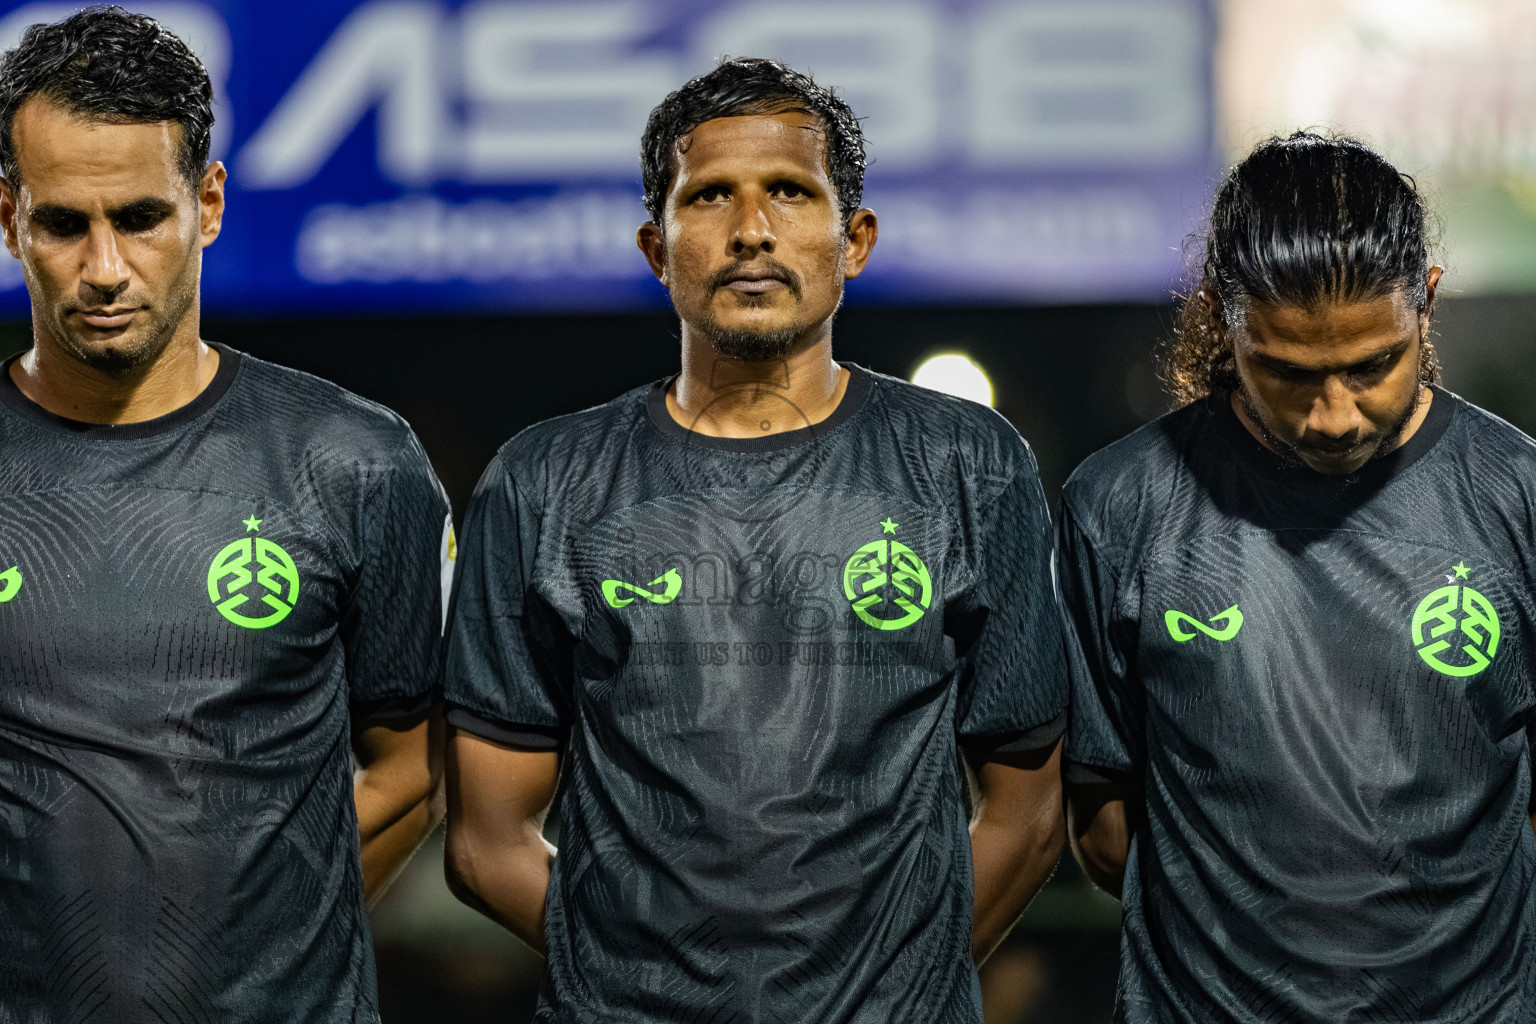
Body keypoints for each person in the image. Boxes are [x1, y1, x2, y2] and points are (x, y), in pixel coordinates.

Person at [443, 58, 1067, 1021]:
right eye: (710, 197)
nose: (751, 230)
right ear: (658, 246)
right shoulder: (545, 480)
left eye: (789, 190)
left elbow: (1027, 819)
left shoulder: (969, 464)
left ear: (852, 239)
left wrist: (893, 994)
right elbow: (487, 842)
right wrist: (639, 994)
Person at [0, 8, 450, 1021]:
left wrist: (267, 950)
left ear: (205, 204)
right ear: (8, 218)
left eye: (141, 217)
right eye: (65, 223)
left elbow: (412, 765)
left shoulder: (355, 461)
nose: (104, 267)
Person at [1060, 131, 1536, 1022]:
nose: (1332, 415)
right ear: (1220, 320)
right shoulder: (1118, 506)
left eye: (1371, 367)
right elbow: (1103, 820)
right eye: (1286, 372)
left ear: (1426, 302)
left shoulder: (1519, 496)